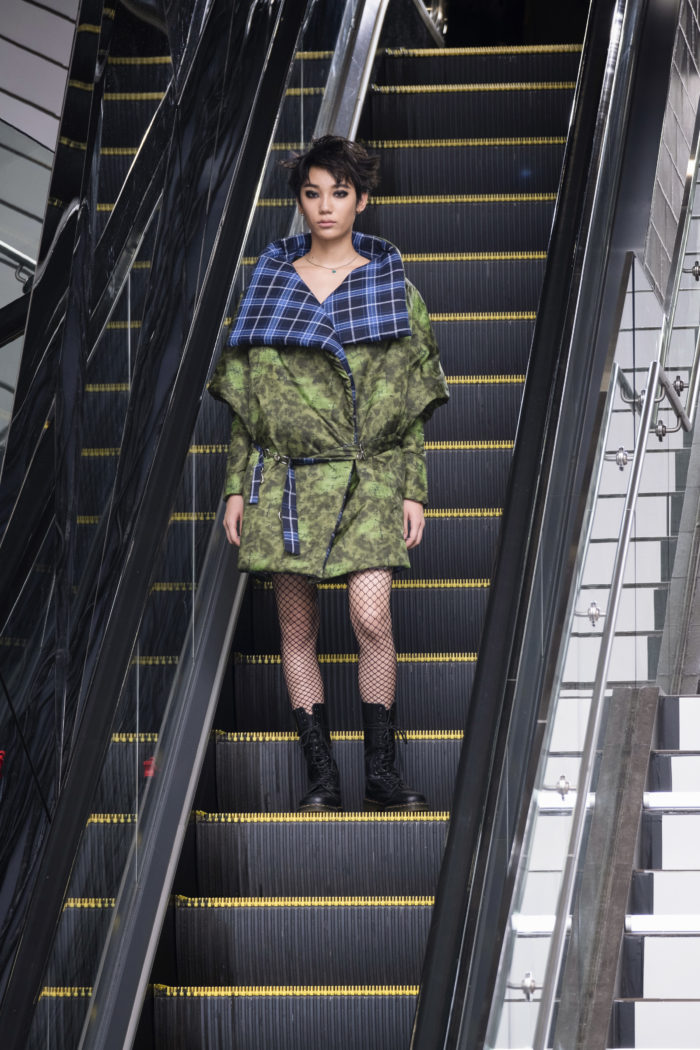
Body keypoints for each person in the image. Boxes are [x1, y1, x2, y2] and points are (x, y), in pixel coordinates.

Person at [209, 135, 448, 813]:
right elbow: (248, 407)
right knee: (297, 630)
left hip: (368, 474)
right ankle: (323, 775)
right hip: (288, 482)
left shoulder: (394, 289)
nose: (325, 206)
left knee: (372, 616)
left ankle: (381, 771)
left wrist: (412, 488)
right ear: (300, 200)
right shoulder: (268, 288)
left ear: (362, 200)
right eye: (313, 193)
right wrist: (234, 486)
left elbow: (409, 405)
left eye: (339, 193)